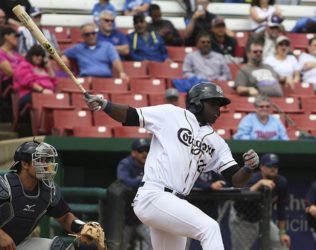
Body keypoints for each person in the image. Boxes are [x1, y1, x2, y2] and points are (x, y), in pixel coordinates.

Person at [84, 81, 260, 250]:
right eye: (214, 104)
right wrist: (106, 105)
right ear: (197, 103)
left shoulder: (218, 143)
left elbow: (237, 180)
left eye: (220, 106)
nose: (218, 110)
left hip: (174, 204)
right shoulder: (171, 114)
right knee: (210, 228)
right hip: (154, 195)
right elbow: (131, 115)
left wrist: (249, 167)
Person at [0, 140, 104, 250]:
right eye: (41, 160)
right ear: (25, 164)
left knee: (57, 247)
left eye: (47, 160)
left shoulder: (48, 190)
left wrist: (83, 227)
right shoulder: (4, 185)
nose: (46, 165)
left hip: (16, 245)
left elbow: (64, 217)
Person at [230, 153, 291, 250]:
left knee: (282, 245)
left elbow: (282, 209)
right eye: (269, 166)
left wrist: (282, 232)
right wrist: (259, 184)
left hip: (263, 220)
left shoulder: (281, 182)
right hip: (243, 221)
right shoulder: (252, 179)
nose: (273, 169)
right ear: (261, 167)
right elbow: (239, 198)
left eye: (275, 166)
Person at [117, 139, 152, 250]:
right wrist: (143, 182)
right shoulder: (126, 163)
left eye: (147, 150)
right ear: (133, 153)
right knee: (121, 245)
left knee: (153, 243)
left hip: (143, 217)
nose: (144, 153)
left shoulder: (151, 164)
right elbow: (123, 180)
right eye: (141, 150)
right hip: (125, 217)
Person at [63, 22, 129, 81]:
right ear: (83, 36)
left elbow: (115, 60)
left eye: (93, 33)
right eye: (87, 34)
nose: (91, 36)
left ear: (96, 34)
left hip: (105, 79)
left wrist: (121, 72)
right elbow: (59, 53)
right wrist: (63, 56)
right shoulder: (78, 48)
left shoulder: (107, 46)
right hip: (86, 79)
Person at [13, 45, 56, 114]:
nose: (40, 57)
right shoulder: (24, 65)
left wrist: (49, 68)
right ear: (31, 55)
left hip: (45, 94)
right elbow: (29, 82)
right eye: (37, 55)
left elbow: (54, 82)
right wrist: (43, 90)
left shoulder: (43, 68)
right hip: (28, 94)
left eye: (41, 55)